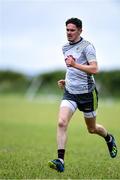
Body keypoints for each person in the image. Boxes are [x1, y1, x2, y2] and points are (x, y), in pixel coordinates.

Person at [48, 17, 117, 172]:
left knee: (92, 129)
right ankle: (60, 161)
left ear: (80, 30)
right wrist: (66, 81)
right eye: (67, 30)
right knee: (61, 122)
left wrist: (74, 64)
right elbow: (71, 70)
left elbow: (94, 69)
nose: (69, 33)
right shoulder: (65, 47)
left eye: (72, 30)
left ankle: (109, 138)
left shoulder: (88, 47)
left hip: (87, 94)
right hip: (70, 92)